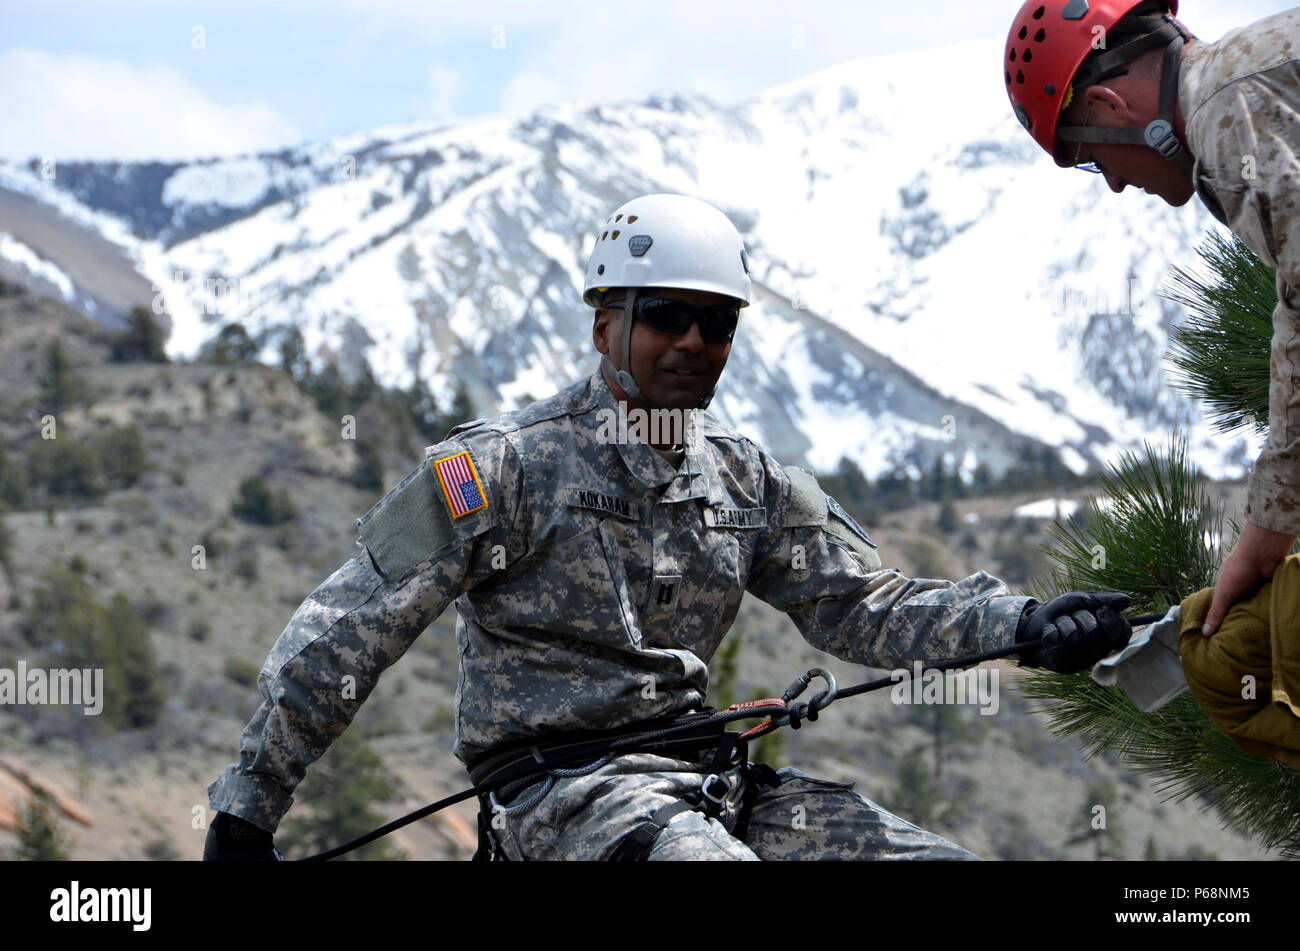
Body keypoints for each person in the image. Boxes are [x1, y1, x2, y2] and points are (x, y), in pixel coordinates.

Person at [204, 193, 1131, 862]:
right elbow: (345, 633)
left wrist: (1024, 624)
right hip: (562, 803)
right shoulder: (496, 467)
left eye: (716, 323)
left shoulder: (747, 476)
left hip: (712, 785)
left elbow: (866, 608)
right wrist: (248, 810)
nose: (693, 342)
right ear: (606, 326)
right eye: (666, 317)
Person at [1002, 0, 1300, 636]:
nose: (1110, 182)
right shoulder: (1246, 88)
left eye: (1088, 155)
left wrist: (1264, 537)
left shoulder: (1231, 117)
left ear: (1111, 106)